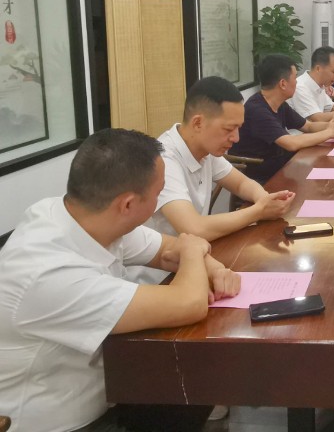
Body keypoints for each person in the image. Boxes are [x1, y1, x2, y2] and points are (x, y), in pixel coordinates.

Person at [0, 129, 241, 432]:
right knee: (193, 378)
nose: (160, 201)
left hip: (113, 383)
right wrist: (194, 250)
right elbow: (189, 302)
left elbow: (167, 251)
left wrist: (214, 267)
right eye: (158, 193)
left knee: (198, 380)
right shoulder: (47, 273)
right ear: (127, 204)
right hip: (61, 422)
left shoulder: (84, 215)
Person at [147, 76, 295, 243]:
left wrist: (264, 199)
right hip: (169, 258)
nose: (236, 138)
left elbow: (241, 184)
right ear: (198, 123)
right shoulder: (164, 160)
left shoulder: (205, 148)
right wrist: (259, 211)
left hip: (199, 250)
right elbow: (194, 229)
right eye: (228, 129)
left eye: (238, 128)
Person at [230, 54, 334, 183]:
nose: (297, 82)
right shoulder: (257, 110)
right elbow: (291, 143)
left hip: (282, 167)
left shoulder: (279, 104)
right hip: (260, 178)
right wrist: (329, 132)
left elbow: (308, 126)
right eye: (294, 78)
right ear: (283, 83)